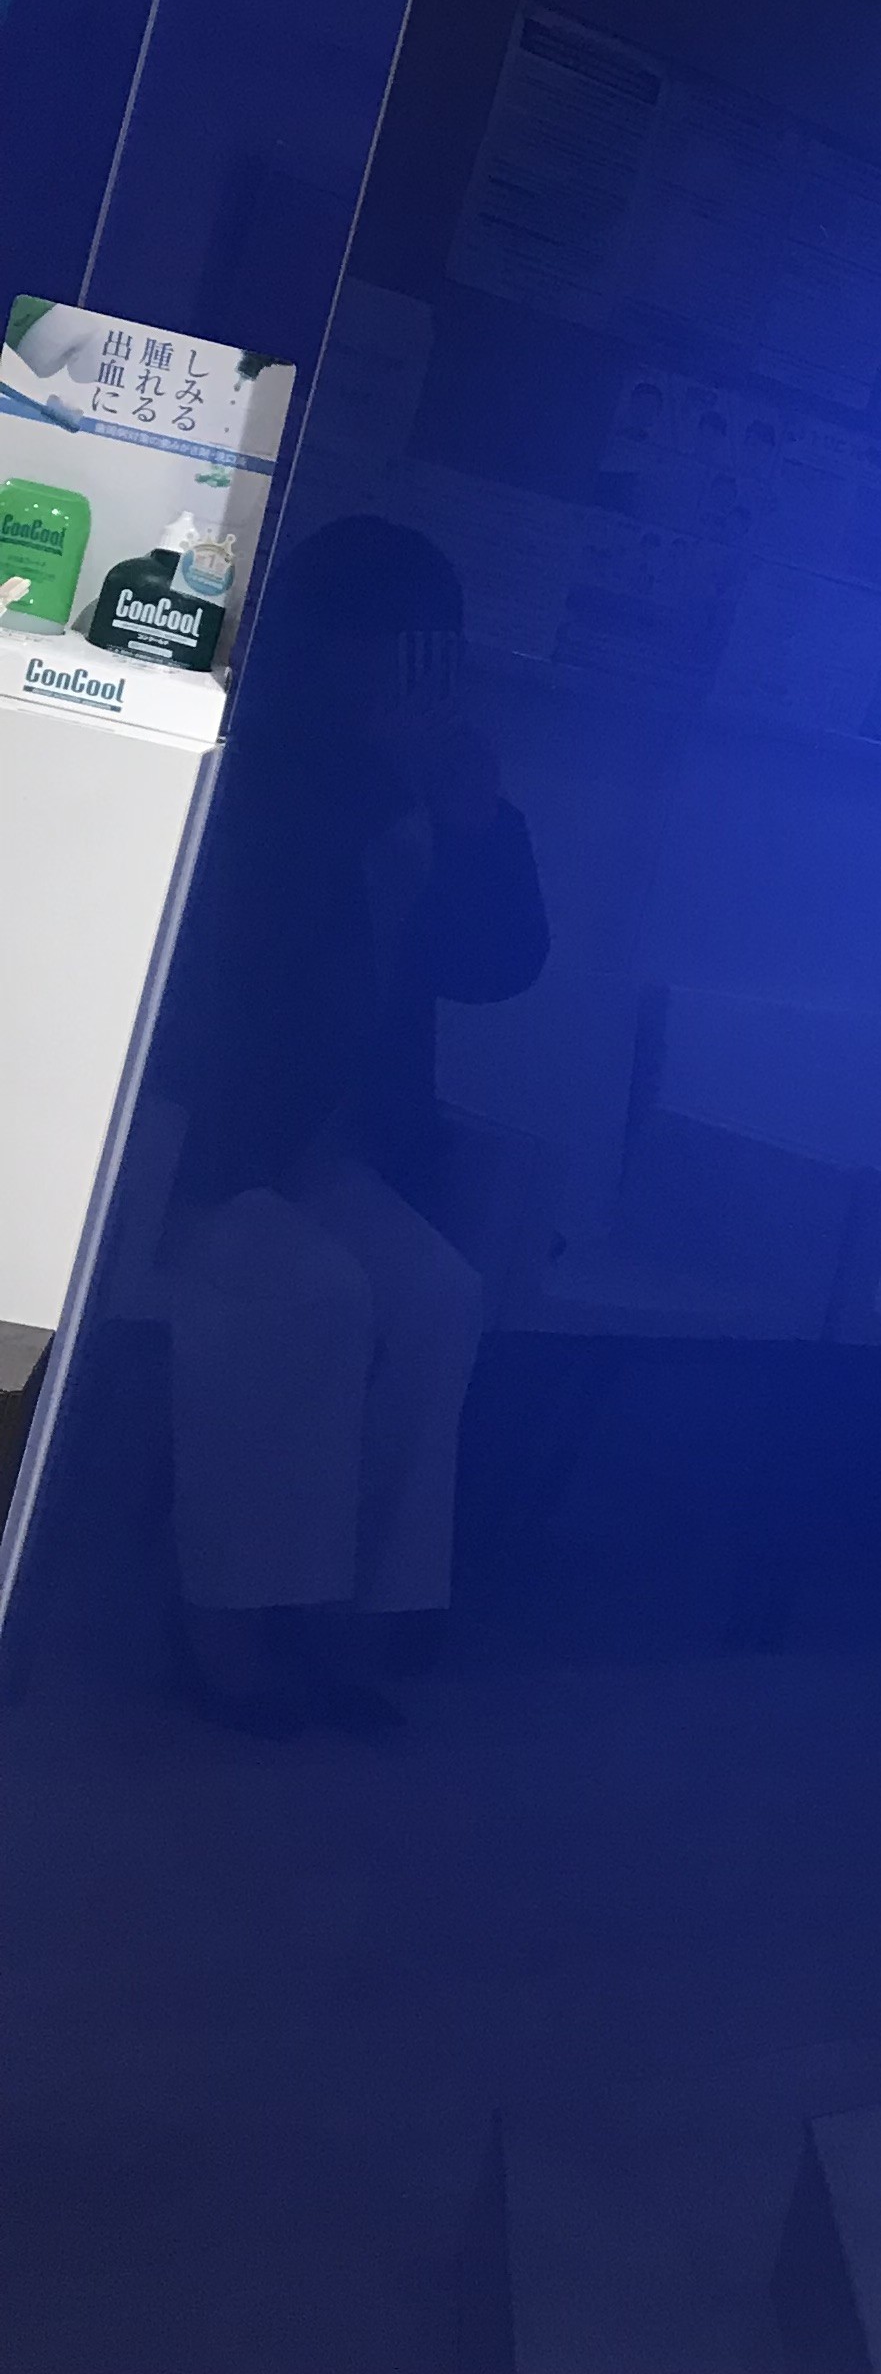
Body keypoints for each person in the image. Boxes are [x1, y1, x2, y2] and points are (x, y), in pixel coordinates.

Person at [154, 517, 549, 1731]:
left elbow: (501, 965)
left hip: (329, 1147)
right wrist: (376, 808)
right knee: (309, 1291)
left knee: (437, 1295)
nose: (415, 681)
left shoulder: (427, 790)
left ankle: (351, 1611)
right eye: (395, 649)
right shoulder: (249, 766)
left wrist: (470, 819)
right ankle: (229, 1628)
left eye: (435, 653)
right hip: (197, 1141)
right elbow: (239, 969)